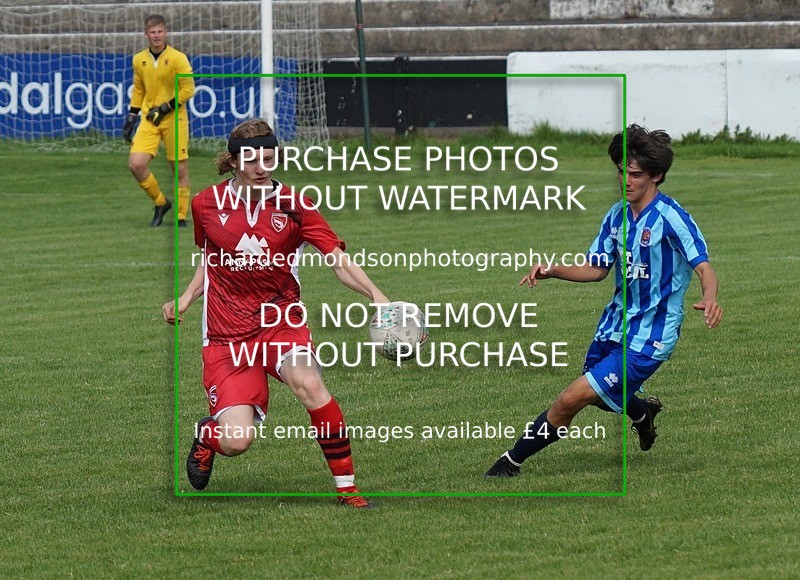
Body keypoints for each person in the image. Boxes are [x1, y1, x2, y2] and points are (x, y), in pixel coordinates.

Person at [162, 118, 389, 508]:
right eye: (252, 160)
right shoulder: (205, 204)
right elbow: (209, 260)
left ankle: (347, 489)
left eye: (269, 158)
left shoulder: (296, 206)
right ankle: (206, 436)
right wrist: (186, 298)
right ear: (234, 161)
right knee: (236, 441)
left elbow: (337, 260)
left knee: (310, 384)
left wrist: (376, 295)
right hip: (227, 333)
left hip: (280, 321)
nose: (261, 167)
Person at [485, 124, 723, 478]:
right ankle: (642, 412)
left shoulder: (672, 218)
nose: (626, 180)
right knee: (598, 394)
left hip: (650, 339)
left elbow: (703, 267)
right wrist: (553, 271)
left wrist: (710, 298)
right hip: (615, 325)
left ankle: (509, 463)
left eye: (636, 174)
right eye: (621, 171)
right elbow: (596, 269)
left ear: (656, 176)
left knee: (571, 399)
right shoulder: (616, 216)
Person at [123, 14, 195, 227]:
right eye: (153, 32)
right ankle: (161, 202)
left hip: (174, 119)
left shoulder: (178, 58)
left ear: (166, 32)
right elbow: (139, 88)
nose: (157, 35)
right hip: (149, 119)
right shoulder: (139, 59)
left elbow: (188, 90)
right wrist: (132, 116)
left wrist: (164, 108)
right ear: (146, 34)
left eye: (160, 31)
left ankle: (181, 215)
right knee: (136, 165)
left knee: (179, 169)